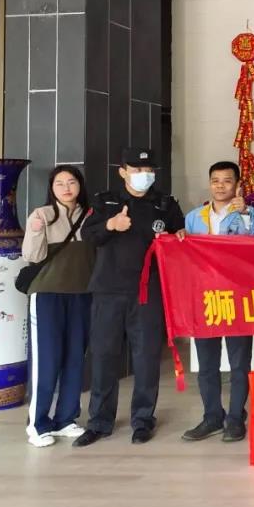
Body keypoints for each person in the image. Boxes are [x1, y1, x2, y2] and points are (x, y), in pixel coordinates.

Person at [73, 148, 185, 447]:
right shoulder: (106, 201)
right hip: (108, 290)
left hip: (148, 293)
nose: (143, 175)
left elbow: (181, 241)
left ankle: (143, 420)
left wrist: (179, 238)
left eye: (148, 170)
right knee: (103, 356)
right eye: (136, 169)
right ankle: (99, 422)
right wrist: (111, 225)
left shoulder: (165, 204)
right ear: (123, 171)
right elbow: (89, 235)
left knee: (146, 358)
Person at [181, 161, 254, 443]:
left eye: (227, 181)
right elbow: (185, 256)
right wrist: (179, 240)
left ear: (237, 185)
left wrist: (246, 215)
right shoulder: (194, 217)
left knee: (239, 363)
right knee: (207, 364)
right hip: (204, 298)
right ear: (209, 184)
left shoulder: (247, 214)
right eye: (215, 180)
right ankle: (212, 417)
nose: (220, 186)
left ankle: (236, 418)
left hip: (237, 297)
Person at [20, 165, 97, 447]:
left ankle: (65, 419)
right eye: (59, 183)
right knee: (46, 359)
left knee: (75, 358)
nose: (66, 188)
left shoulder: (91, 216)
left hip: (81, 295)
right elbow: (31, 256)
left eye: (72, 182)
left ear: (80, 186)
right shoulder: (41, 215)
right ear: (51, 188)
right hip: (47, 295)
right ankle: (38, 424)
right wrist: (35, 231)